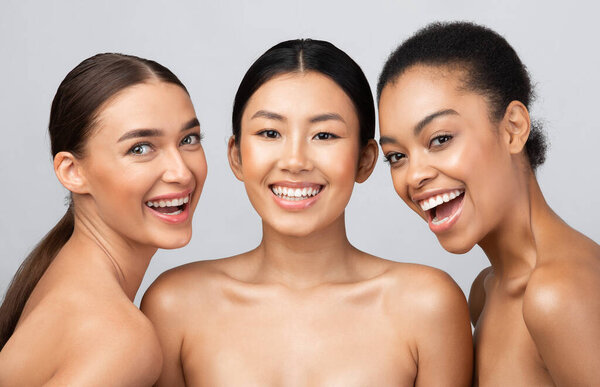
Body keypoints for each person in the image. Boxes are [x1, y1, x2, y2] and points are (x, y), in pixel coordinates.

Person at [142, 39, 472, 386]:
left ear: (365, 160)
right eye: (270, 133)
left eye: (324, 135)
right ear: (236, 156)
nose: (295, 162)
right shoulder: (173, 305)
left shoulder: (428, 305)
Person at [377, 21, 600, 385]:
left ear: (513, 128)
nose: (414, 175)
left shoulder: (558, 295)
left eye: (440, 139)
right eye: (396, 156)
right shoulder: (484, 291)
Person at [0, 53, 207, 386]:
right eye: (141, 148)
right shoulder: (120, 339)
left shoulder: (63, 276)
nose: (182, 172)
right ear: (72, 171)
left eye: (188, 140)